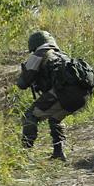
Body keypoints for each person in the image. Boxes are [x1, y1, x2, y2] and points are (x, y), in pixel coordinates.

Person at [17, 30, 73, 161]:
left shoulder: (39, 54)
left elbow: (22, 84)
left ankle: (24, 155)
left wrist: (26, 71)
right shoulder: (63, 55)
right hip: (81, 95)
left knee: (29, 116)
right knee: (55, 117)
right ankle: (59, 153)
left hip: (62, 93)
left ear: (34, 45)